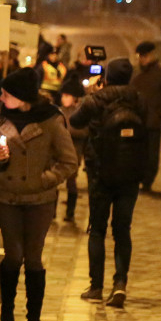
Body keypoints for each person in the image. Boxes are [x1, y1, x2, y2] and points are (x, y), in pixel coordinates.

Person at [0, 68, 77, 321]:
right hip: (8, 197)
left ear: (22, 96)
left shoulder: (51, 120)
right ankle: (7, 309)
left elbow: (69, 161)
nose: (1, 99)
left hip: (39, 200)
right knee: (13, 255)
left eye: (6, 94)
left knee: (34, 258)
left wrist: (44, 179)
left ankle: (33, 319)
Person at [70, 58, 148, 308]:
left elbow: (75, 121)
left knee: (98, 229)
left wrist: (90, 94)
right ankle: (120, 283)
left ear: (107, 77)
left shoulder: (97, 99)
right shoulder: (139, 99)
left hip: (100, 172)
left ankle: (96, 287)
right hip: (130, 174)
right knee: (123, 229)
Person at [130, 41, 161, 190]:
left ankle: (147, 181)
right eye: (140, 56)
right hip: (135, 120)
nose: (142, 59)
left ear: (152, 55)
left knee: (152, 154)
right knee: (135, 153)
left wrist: (159, 113)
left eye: (145, 56)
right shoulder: (135, 72)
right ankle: (136, 178)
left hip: (153, 122)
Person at [58, 72, 87, 224]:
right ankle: (52, 212)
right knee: (55, 182)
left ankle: (70, 212)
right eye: (63, 95)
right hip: (58, 152)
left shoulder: (80, 113)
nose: (64, 98)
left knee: (71, 182)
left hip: (74, 152)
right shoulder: (59, 111)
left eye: (67, 96)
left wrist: (64, 131)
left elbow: (83, 131)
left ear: (75, 97)